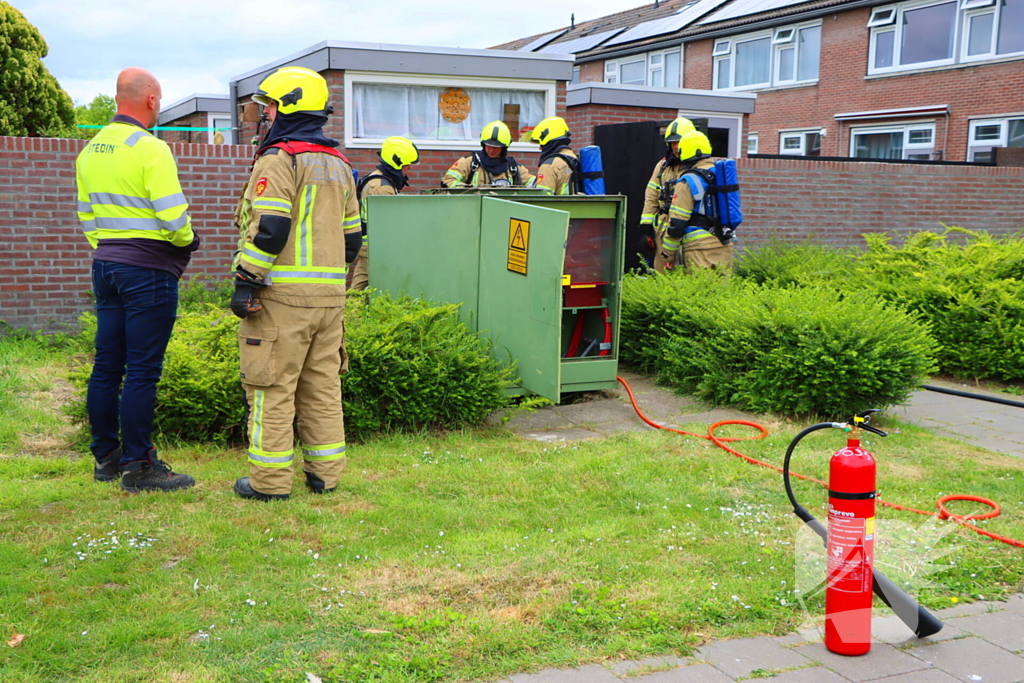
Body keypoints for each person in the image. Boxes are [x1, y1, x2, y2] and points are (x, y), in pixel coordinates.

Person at [230, 66, 361, 501]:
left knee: (271, 387)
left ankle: (268, 483)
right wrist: (328, 285)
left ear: (286, 107)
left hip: (281, 299)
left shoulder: (279, 159)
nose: (264, 113)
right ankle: (326, 476)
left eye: (269, 105)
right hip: (330, 299)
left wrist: (246, 281)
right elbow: (353, 238)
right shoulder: (341, 164)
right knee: (322, 386)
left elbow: (269, 229)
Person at [75, 67, 200, 492]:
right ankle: (140, 466)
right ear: (151, 100)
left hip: (105, 264)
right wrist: (188, 240)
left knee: (107, 365)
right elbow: (171, 214)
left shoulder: (89, 150)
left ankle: (106, 459)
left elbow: (87, 217)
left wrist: (108, 247)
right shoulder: (151, 148)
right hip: (147, 269)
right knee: (143, 369)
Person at [642, 120, 734, 272]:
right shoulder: (663, 166)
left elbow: (680, 216)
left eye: (680, 141)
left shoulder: (696, 171)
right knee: (665, 273)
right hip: (666, 229)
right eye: (673, 143)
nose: (677, 147)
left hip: (690, 233)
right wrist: (646, 228)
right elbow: (651, 196)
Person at [349, 136, 419, 291]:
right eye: (407, 166)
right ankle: (352, 313)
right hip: (376, 246)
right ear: (397, 162)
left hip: (373, 246)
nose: (409, 171)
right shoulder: (381, 187)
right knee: (366, 286)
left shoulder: (381, 182)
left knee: (361, 285)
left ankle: (352, 313)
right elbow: (388, 221)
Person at [441, 120, 534, 188]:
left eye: (496, 147)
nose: (491, 150)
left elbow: (533, 183)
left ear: (504, 147)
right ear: (483, 144)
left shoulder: (513, 167)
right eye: (488, 146)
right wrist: (470, 191)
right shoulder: (469, 163)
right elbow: (447, 181)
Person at [531, 116, 580, 196]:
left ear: (549, 143)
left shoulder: (549, 165)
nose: (540, 148)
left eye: (542, 144)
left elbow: (542, 200)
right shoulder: (574, 158)